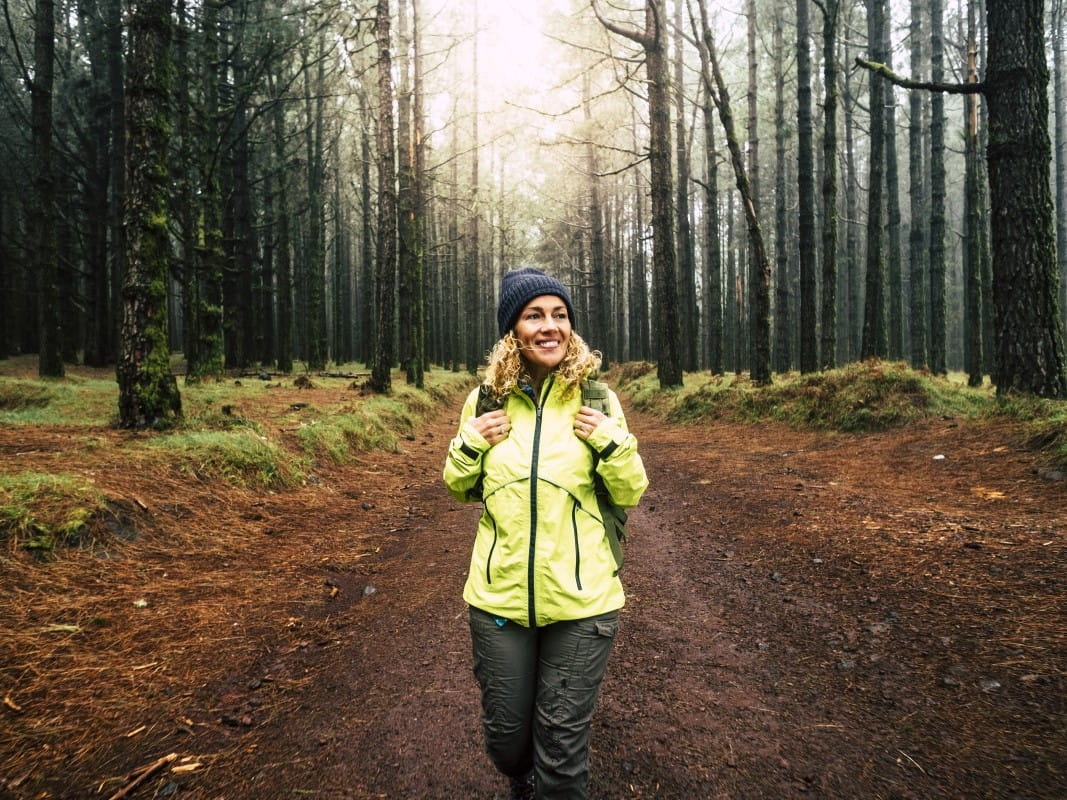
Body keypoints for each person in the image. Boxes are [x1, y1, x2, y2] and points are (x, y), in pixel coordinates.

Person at [443, 267, 649, 800]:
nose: (549, 326)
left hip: (583, 603)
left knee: (560, 748)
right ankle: (521, 777)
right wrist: (470, 444)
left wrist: (613, 444)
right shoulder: (485, 401)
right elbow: (460, 488)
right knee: (508, 745)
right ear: (513, 330)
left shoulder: (597, 401)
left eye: (559, 315)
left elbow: (629, 492)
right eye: (534, 315)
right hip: (498, 600)